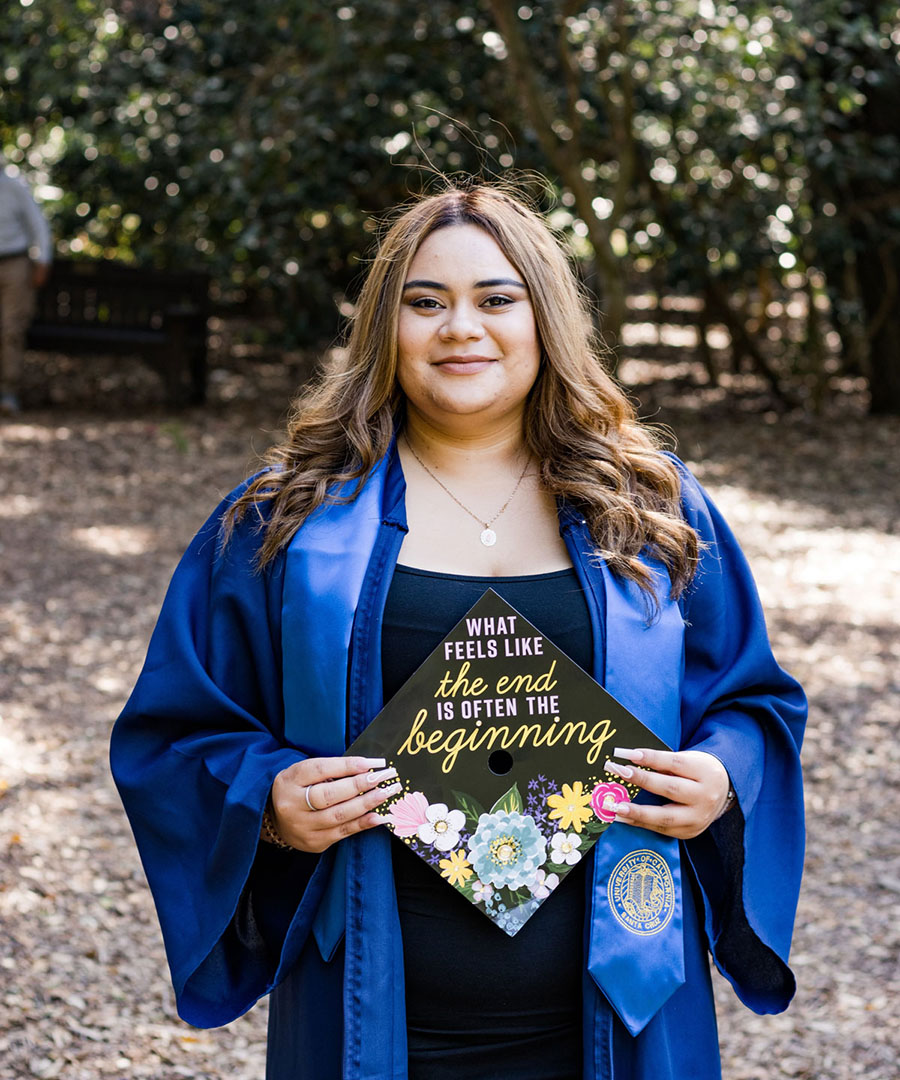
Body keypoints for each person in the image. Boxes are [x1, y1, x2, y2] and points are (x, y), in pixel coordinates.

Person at [110, 182, 806, 1080]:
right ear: (382, 327)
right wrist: (271, 800)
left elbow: (753, 703)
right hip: (374, 1014)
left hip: (621, 1010)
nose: (459, 329)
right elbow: (174, 732)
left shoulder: (652, 509)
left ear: (544, 318)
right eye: (425, 302)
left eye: (496, 299)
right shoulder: (284, 523)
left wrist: (719, 776)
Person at [0, 153, 52, 414]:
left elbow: (38, 226)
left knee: (11, 329)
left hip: (14, 264)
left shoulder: (14, 185)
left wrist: (42, 261)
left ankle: (8, 393)